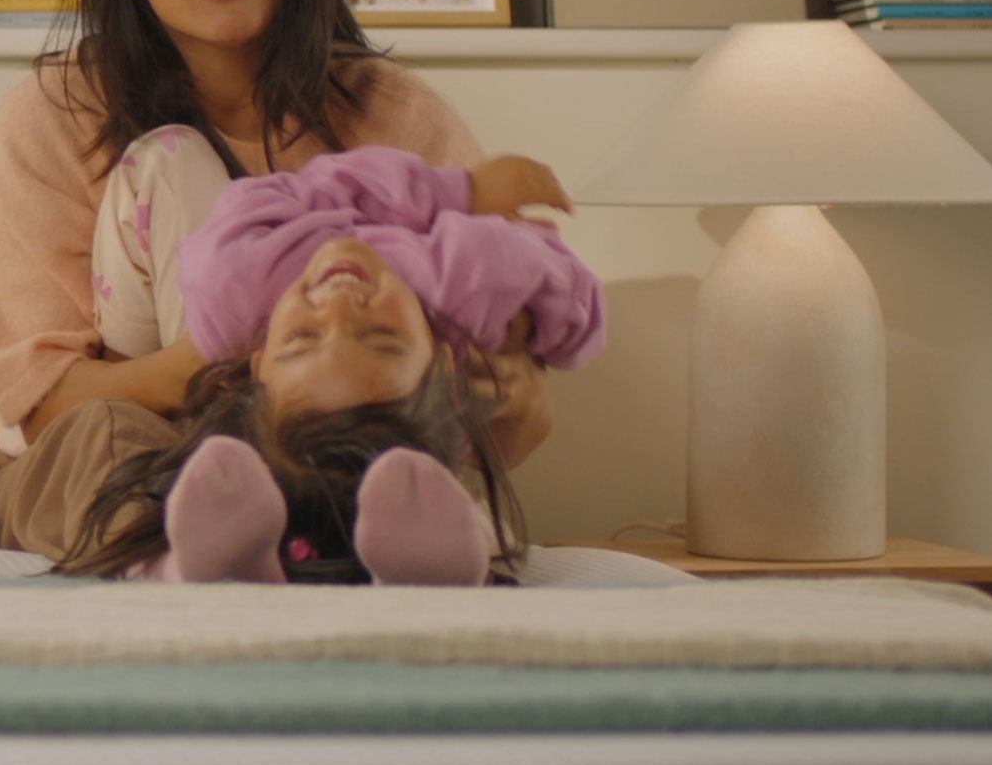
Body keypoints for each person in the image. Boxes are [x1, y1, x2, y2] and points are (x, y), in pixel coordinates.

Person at [0, 0, 551, 566]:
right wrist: (227, 368)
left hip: (338, 449)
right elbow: (42, 401)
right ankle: (206, 545)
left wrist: (488, 387)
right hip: (125, 447)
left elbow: (514, 412)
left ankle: (353, 528)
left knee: (399, 466)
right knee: (111, 444)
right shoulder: (54, 115)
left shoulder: (397, 119)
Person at [70, 142, 604, 585]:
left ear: (254, 364)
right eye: (383, 337)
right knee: (122, 462)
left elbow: (280, 196)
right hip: (229, 468)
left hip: (327, 471)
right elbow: (573, 302)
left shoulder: (242, 284)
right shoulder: (461, 284)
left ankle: (218, 562)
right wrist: (459, 194)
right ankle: (201, 558)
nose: (340, 304)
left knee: (398, 488)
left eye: (302, 337)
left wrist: (532, 345)